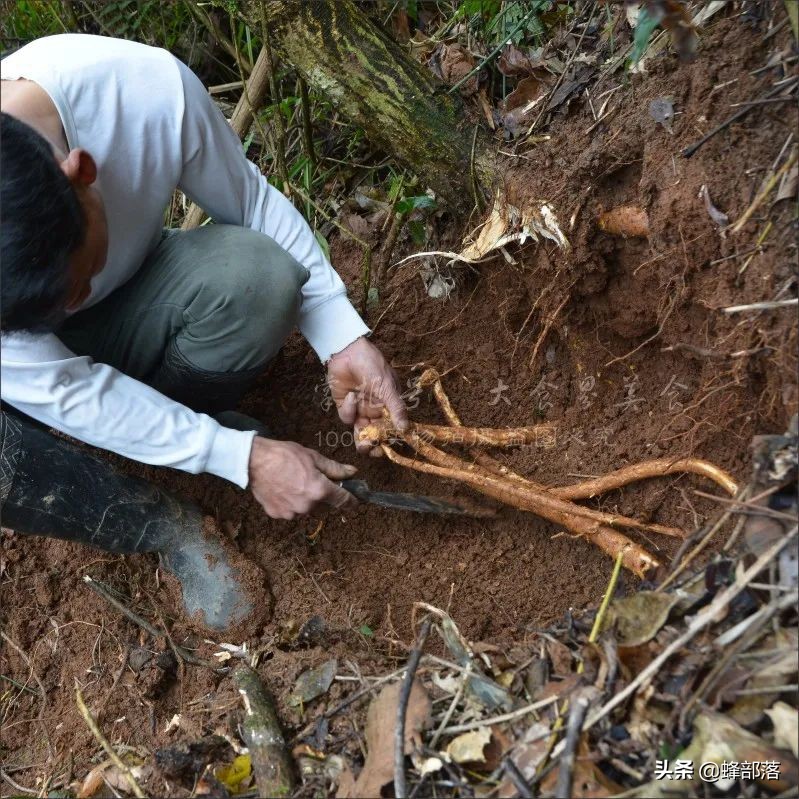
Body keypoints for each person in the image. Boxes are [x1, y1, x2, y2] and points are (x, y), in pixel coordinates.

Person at [0, 34, 409, 631]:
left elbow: (248, 201)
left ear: (82, 173)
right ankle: (161, 524)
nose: (67, 307)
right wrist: (237, 458)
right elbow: (70, 394)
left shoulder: (140, 94)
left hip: (130, 304)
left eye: (70, 286)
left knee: (256, 278)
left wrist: (341, 334)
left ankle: (176, 431)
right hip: (19, 394)